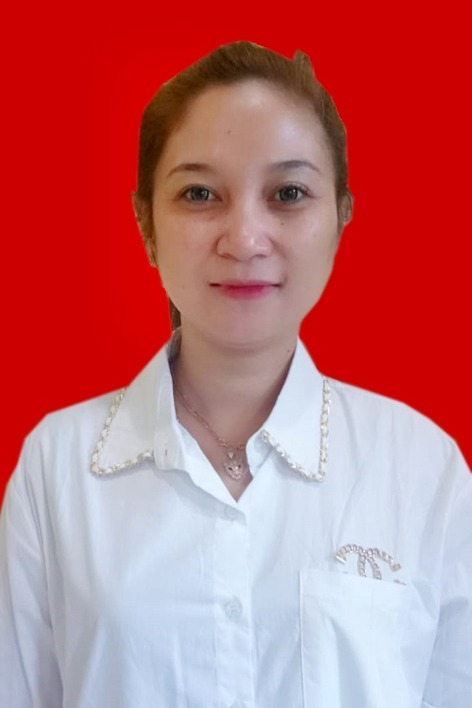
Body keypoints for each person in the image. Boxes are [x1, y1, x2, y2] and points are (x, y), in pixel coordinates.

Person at [0, 41, 471, 708]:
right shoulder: (58, 465)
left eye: (288, 194)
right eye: (199, 194)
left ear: (341, 216)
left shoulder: (423, 469)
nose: (245, 238)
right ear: (145, 224)